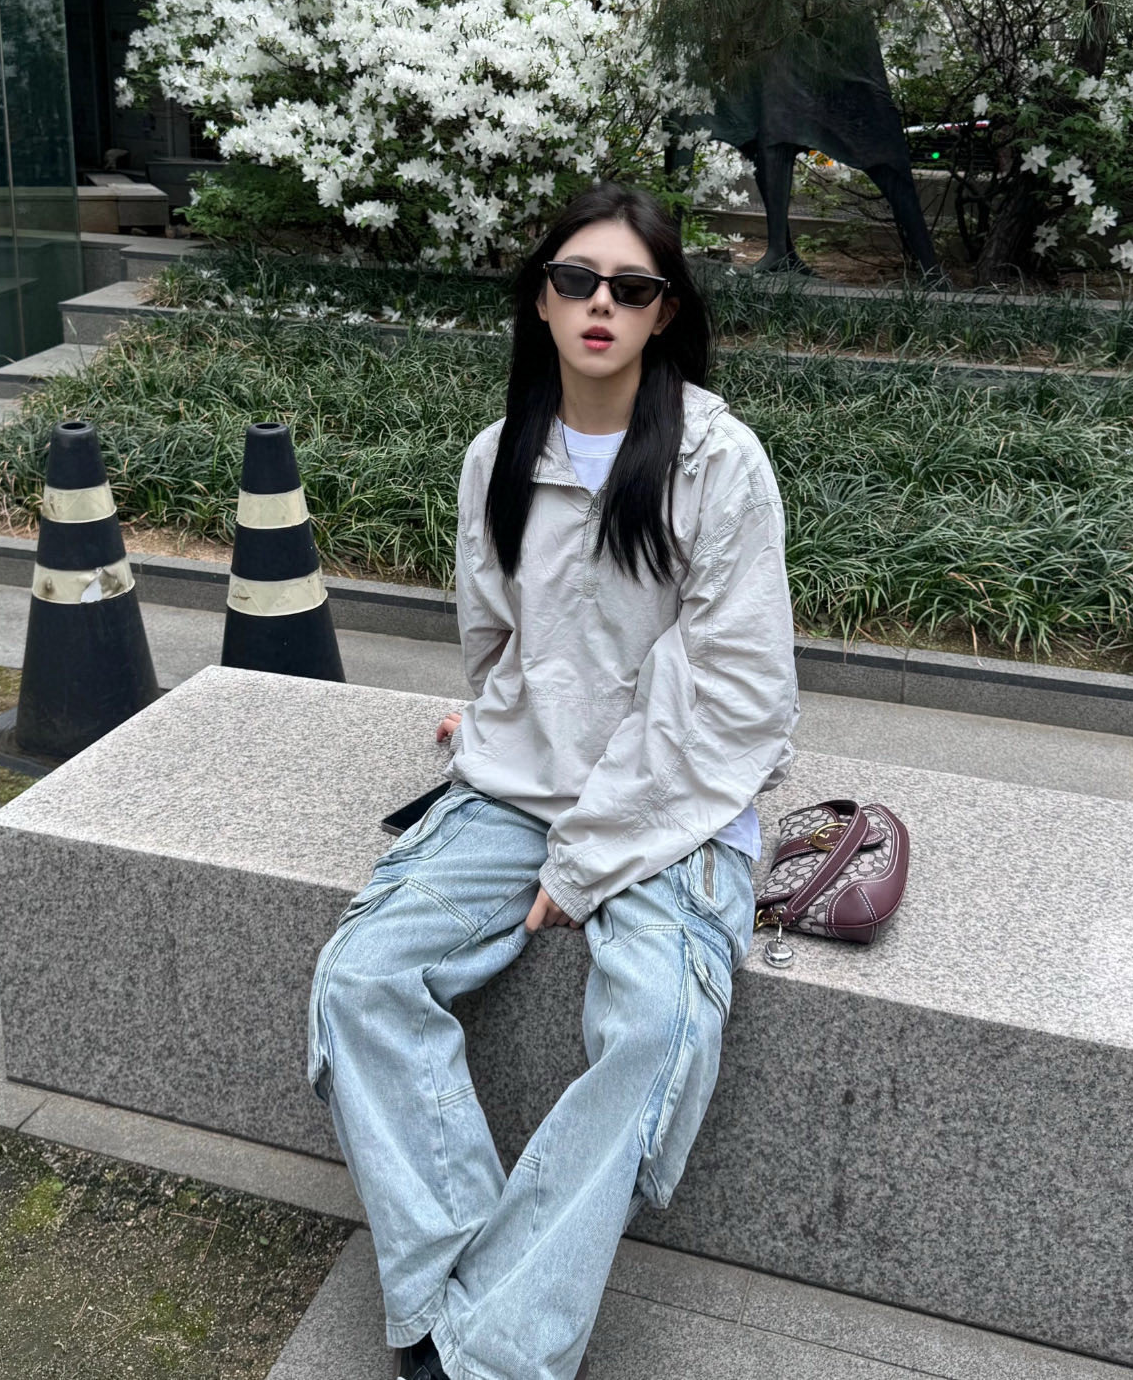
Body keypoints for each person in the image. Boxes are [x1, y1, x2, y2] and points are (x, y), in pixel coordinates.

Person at [306, 182, 800, 1380]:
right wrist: (501, 718)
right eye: (576, 279)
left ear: (665, 312)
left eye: (631, 287)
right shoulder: (498, 459)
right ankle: (471, 1306)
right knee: (360, 976)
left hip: (674, 806)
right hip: (517, 785)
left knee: (657, 1026)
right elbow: (497, 641)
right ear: (540, 298)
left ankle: (482, 1355)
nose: (599, 305)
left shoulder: (717, 464)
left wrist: (586, 859)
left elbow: (736, 697)